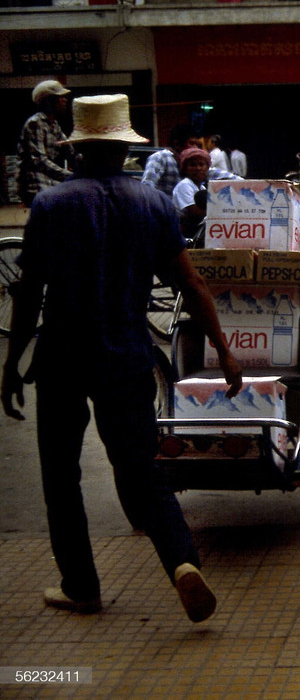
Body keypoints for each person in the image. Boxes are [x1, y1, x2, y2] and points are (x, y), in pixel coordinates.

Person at [1, 94, 243, 621]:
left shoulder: (51, 205)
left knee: (61, 474)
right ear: (123, 149)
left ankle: (81, 586)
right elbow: (191, 283)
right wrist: (225, 352)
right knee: (140, 469)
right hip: (128, 355)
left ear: (77, 149)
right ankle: (181, 561)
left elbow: (28, 291)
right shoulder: (152, 204)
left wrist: (11, 363)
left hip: (63, 356)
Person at [17, 80, 73, 207]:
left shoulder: (54, 125)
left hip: (48, 181)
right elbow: (39, 160)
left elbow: (69, 149)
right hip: (35, 184)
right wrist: (70, 176)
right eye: (60, 97)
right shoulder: (35, 123)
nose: (65, 100)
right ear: (48, 101)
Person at [173, 146, 238, 239]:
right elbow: (195, 212)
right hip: (186, 232)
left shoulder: (202, 187)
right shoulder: (184, 185)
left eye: (201, 164)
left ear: (207, 168)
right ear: (185, 169)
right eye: (192, 165)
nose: (198, 168)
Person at [142, 123, 200, 197]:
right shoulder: (161, 157)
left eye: (197, 145)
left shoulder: (193, 163)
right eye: (192, 143)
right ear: (177, 144)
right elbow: (148, 186)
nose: (195, 148)